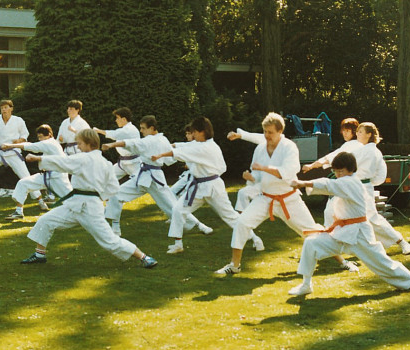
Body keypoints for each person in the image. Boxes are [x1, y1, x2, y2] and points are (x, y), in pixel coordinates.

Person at [215, 112, 357, 275]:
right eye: (265, 132)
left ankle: (342, 262)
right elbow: (259, 178)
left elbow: (288, 172)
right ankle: (234, 265)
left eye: (271, 132)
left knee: (312, 231)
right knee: (241, 223)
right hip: (265, 198)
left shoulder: (289, 147)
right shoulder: (261, 149)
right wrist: (251, 177)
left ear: (280, 131)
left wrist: (264, 168)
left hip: (288, 199)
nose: (267, 136)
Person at [287, 152, 410, 296]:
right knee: (311, 244)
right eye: (336, 171)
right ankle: (306, 285)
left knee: (382, 264)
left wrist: (302, 183)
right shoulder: (344, 181)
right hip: (341, 233)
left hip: (359, 234)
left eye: (341, 171)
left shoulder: (351, 182)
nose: (338, 174)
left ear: (351, 170)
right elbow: (331, 184)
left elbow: (328, 184)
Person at [20, 129, 157, 269]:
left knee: (109, 240)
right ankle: (39, 255)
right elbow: (113, 187)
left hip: (89, 209)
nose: (78, 146)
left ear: (89, 143)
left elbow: (64, 161)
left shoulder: (84, 159)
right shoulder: (105, 163)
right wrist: (99, 197)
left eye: (80, 143)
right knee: (46, 220)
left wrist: (39, 158)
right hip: (75, 204)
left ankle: (144, 257)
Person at [151, 116, 264, 254]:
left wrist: (160, 155)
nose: (192, 135)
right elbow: (185, 146)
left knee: (230, 217)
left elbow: (181, 152)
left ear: (202, 132)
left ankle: (256, 239)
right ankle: (178, 244)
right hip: (198, 187)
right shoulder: (201, 144)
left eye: (194, 132)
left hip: (213, 187)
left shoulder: (207, 147)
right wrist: (172, 145)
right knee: (178, 210)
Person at [102, 115, 212, 236]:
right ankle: (115, 228)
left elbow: (132, 143)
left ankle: (200, 225)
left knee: (172, 206)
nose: (141, 131)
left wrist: (111, 145)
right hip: (142, 176)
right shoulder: (162, 139)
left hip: (155, 179)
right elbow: (171, 152)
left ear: (152, 128)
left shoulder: (151, 140)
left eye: (143, 128)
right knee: (116, 194)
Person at [351, 122, 410, 255]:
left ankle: (401, 241)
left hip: (363, 187)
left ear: (369, 134)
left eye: (361, 131)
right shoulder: (361, 149)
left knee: (372, 218)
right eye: (357, 131)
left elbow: (380, 174)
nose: (357, 134)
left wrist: (369, 183)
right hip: (355, 186)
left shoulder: (371, 151)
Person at [0, 124, 73, 220]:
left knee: (73, 201)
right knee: (23, 183)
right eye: (38, 137)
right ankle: (18, 212)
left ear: (49, 135)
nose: (40, 139)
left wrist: (11, 145)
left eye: (41, 137)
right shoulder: (49, 143)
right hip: (46, 176)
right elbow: (35, 146)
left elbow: (32, 146)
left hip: (57, 177)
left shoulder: (50, 143)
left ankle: (90, 213)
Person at [93, 107, 140, 180]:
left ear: (124, 119)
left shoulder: (130, 130)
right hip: (122, 163)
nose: (116, 120)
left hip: (134, 164)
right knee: (107, 177)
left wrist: (98, 130)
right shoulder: (125, 129)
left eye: (117, 118)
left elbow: (114, 134)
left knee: (139, 186)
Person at [226, 128, 265, 212]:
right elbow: (258, 137)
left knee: (244, 193)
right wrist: (240, 135)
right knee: (243, 193)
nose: (267, 135)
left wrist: (252, 178)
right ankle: (243, 220)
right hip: (259, 183)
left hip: (272, 187)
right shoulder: (265, 144)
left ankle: (243, 219)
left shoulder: (281, 146)